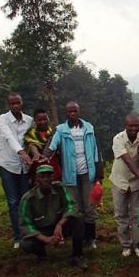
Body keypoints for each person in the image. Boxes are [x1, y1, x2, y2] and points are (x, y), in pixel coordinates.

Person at [45, 101, 103, 249]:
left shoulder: (88, 128)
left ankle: (90, 239)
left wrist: (98, 175)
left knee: (89, 207)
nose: (72, 114)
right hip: (70, 176)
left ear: (79, 112)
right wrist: (46, 156)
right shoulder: (61, 130)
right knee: (74, 208)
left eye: (75, 111)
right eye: (69, 112)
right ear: (66, 113)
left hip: (87, 174)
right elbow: (52, 145)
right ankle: (77, 237)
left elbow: (96, 152)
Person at [19, 165, 88, 270]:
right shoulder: (28, 198)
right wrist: (45, 239)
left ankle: (77, 255)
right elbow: (26, 224)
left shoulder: (60, 188)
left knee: (79, 218)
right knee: (26, 244)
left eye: (49, 176)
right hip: (42, 231)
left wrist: (60, 224)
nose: (46, 179)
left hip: (59, 226)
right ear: (37, 179)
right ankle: (41, 255)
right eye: (42, 176)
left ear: (53, 177)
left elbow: (72, 206)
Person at [0, 93, 34, 249]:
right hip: (7, 165)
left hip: (25, 168)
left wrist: (32, 157)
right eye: (12, 103)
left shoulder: (29, 120)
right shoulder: (2, 119)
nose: (15, 106)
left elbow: (31, 141)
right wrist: (22, 153)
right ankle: (17, 237)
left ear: (22, 103)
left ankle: (27, 233)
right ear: (8, 104)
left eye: (18, 102)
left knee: (25, 200)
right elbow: (9, 137)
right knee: (13, 202)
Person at [110, 114, 139, 257]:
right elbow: (127, 160)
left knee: (137, 215)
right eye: (130, 125)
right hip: (119, 180)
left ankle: (137, 244)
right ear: (125, 126)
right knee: (120, 215)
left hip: (136, 183)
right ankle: (126, 245)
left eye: (136, 125)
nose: (133, 128)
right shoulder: (118, 139)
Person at [24, 109, 61, 183]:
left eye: (45, 119)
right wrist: (35, 153)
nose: (43, 122)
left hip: (53, 166)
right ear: (35, 121)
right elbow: (31, 145)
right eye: (39, 120)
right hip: (37, 166)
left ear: (48, 119)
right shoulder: (30, 133)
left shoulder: (54, 132)